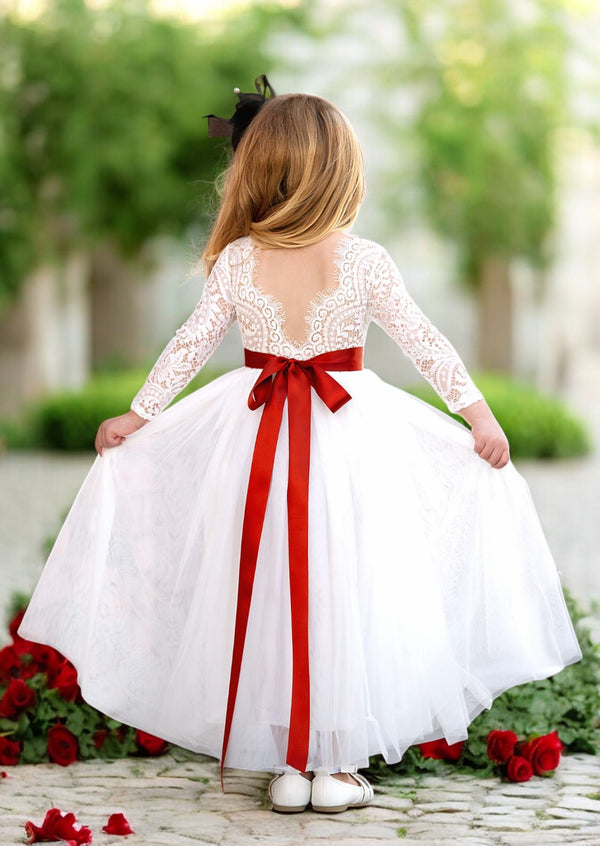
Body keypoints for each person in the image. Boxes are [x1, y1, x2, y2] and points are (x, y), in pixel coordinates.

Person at [20, 79, 582, 816]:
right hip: (348, 443)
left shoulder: (239, 262)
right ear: (340, 173)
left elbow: (188, 348)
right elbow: (425, 343)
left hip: (255, 443)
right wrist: (477, 414)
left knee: (271, 585)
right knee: (346, 585)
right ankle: (332, 764)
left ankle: (290, 758)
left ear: (259, 171)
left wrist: (140, 413)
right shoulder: (364, 261)